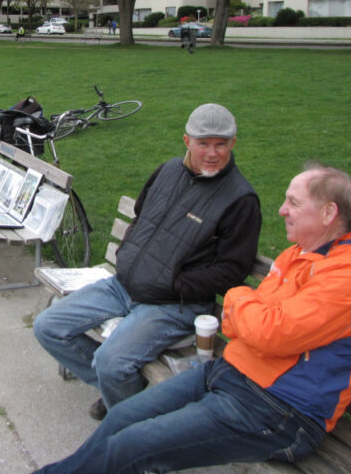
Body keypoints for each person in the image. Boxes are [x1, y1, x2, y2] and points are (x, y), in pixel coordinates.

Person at [33, 164, 351, 473]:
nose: (282, 210)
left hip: (278, 411)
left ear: (329, 213)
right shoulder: (298, 255)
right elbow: (249, 325)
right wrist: (248, 310)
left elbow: (268, 331)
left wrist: (237, 298)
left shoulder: (350, 276)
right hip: (229, 372)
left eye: (294, 203)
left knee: (133, 445)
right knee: (122, 418)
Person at [33, 104, 261, 420]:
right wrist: (128, 257)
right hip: (123, 285)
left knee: (111, 363)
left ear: (233, 144)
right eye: (203, 143)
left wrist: (173, 283)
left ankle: (129, 427)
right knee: (48, 326)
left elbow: (232, 271)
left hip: (173, 305)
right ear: (187, 141)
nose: (212, 153)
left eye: (221, 144)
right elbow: (141, 216)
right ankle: (123, 395)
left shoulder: (240, 199)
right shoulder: (168, 171)